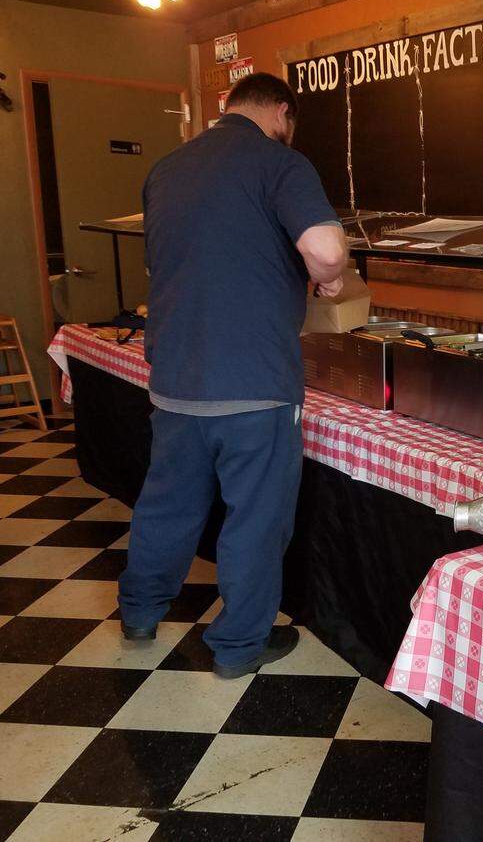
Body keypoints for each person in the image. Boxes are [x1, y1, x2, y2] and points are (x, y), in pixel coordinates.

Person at [118, 72, 346, 679]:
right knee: (255, 518)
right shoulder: (281, 163)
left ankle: (140, 612)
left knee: (166, 505)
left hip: (174, 377)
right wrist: (330, 277)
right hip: (254, 384)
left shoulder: (167, 168)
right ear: (281, 111)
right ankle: (239, 646)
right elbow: (324, 250)